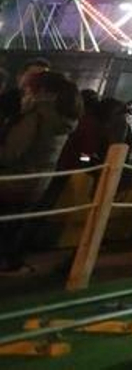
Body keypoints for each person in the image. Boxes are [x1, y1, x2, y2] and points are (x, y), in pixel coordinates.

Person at [0, 71, 82, 272]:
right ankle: (9, 262)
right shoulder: (64, 118)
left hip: (12, 179)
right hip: (36, 182)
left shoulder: (36, 116)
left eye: (28, 89)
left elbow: (10, 153)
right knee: (13, 224)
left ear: (43, 92)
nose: (25, 94)